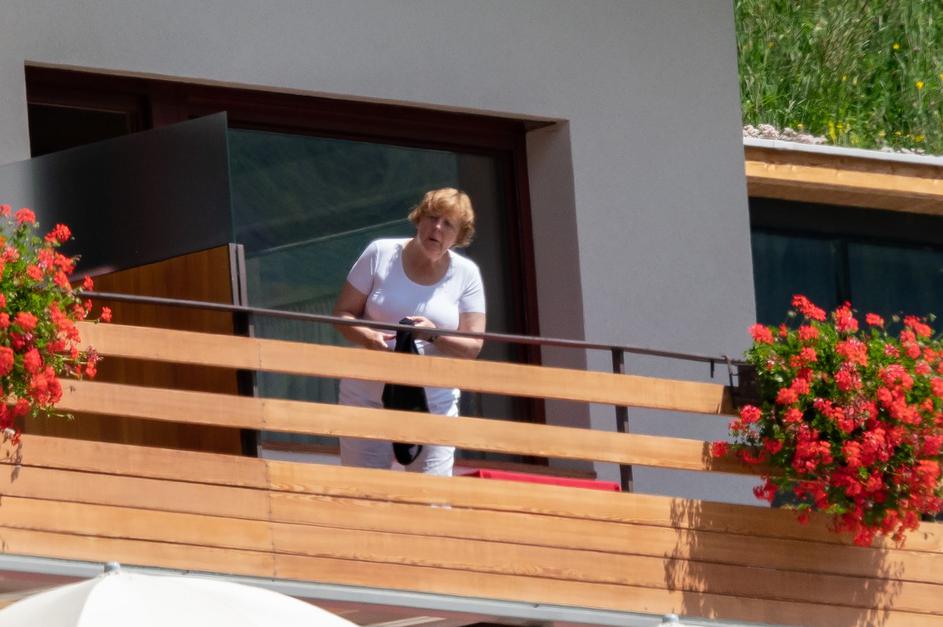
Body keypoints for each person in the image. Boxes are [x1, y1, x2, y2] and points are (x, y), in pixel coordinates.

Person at [332, 188, 487, 476]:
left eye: (448, 224)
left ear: (459, 236)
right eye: (432, 217)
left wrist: (434, 334)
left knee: (430, 496)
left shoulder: (466, 274)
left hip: (433, 403)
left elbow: (473, 346)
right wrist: (368, 337)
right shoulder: (380, 253)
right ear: (419, 219)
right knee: (364, 493)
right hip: (366, 394)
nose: (437, 228)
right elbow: (342, 314)